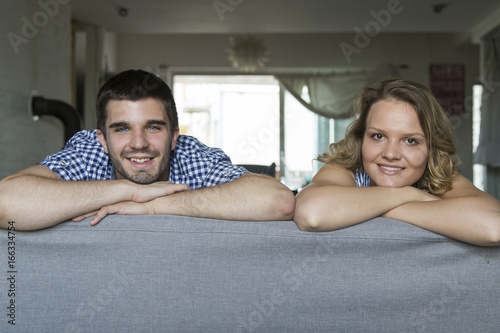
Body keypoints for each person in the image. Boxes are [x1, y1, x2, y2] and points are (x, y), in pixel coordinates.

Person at [0, 69, 295, 230]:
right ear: (101, 139)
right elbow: (6, 203)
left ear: (174, 137)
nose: (138, 142)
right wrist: (129, 190)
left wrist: (154, 206)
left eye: (153, 127)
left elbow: (279, 202)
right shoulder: (88, 152)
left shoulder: (191, 155)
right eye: (122, 128)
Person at [294, 78, 500, 246]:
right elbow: (312, 212)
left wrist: (380, 207)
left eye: (411, 141)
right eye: (378, 136)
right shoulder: (346, 169)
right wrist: (409, 194)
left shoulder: (439, 178)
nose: (391, 154)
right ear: (361, 138)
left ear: (431, 148)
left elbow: (493, 227)